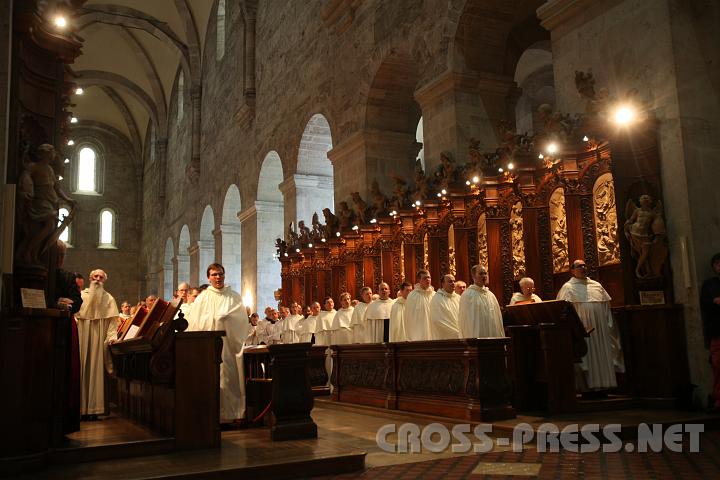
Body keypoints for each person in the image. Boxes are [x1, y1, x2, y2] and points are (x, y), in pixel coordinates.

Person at [186, 263, 249, 422]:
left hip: (227, 345)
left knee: (228, 378)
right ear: (208, 277)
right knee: (210, 379)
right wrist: (214, 320)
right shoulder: (202, 298)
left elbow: (242, 320)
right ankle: (210, 414)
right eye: (214, 275)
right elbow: (195, 321)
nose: (218, 277)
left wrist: (227, 319)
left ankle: (231, 414)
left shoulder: (233, 296)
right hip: (208, 346)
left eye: (220, 274)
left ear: (224, 275)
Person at [557, 259, 624, 391]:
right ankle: (586, 388)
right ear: (572, 270)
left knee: (601, 353)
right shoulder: (568, 287)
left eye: (584, 265)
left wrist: (608, 326)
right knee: (586, 357)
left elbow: (606, 309)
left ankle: (604, 385)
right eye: (579, 266)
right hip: (583, 329)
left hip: (600, 328)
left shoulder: (596, 285)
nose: (583, 268)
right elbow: (564, 311)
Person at [75, 269, 118, 420]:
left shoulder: (109, 299)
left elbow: (113, 321)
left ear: (104, 280)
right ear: (90, 278)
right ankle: (78, 409)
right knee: (80, 369)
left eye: (101, 277)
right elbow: (75, 315)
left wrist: (112, 337)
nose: (98, 279)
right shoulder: (81, 296)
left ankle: (93, 409)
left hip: (99, 339)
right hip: (81, 334)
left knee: (96, 370)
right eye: (95, 276)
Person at [459, 265, 504, 338]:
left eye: (485, 273)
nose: (484, 276)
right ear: (473, 276)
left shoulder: (490, 294)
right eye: (480, 274)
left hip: (491, 333)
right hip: (476, 335)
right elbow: (465, 320)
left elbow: (497, 319)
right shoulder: (467, 295)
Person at [701, 253, 720, 412]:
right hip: (717, 331)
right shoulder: (710, 285)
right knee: (718, 367)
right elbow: (706, 304)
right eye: (717, 263)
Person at [403, 270, 435, 341]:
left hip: (433, 330)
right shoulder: (412, 296)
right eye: (425, 278)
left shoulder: (434, 295)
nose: (428, 280)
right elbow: (409, 317)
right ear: (419, 280)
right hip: (419, 331)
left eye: (429, 277)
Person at [430, 274, 461, 340]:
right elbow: (438, 320)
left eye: (454, 281)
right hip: (446, 338)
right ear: (443, 284)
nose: (453, 283)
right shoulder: (437, 299)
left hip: (461, 336)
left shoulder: (458, 298)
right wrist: (456, 333)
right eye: (450, 281)